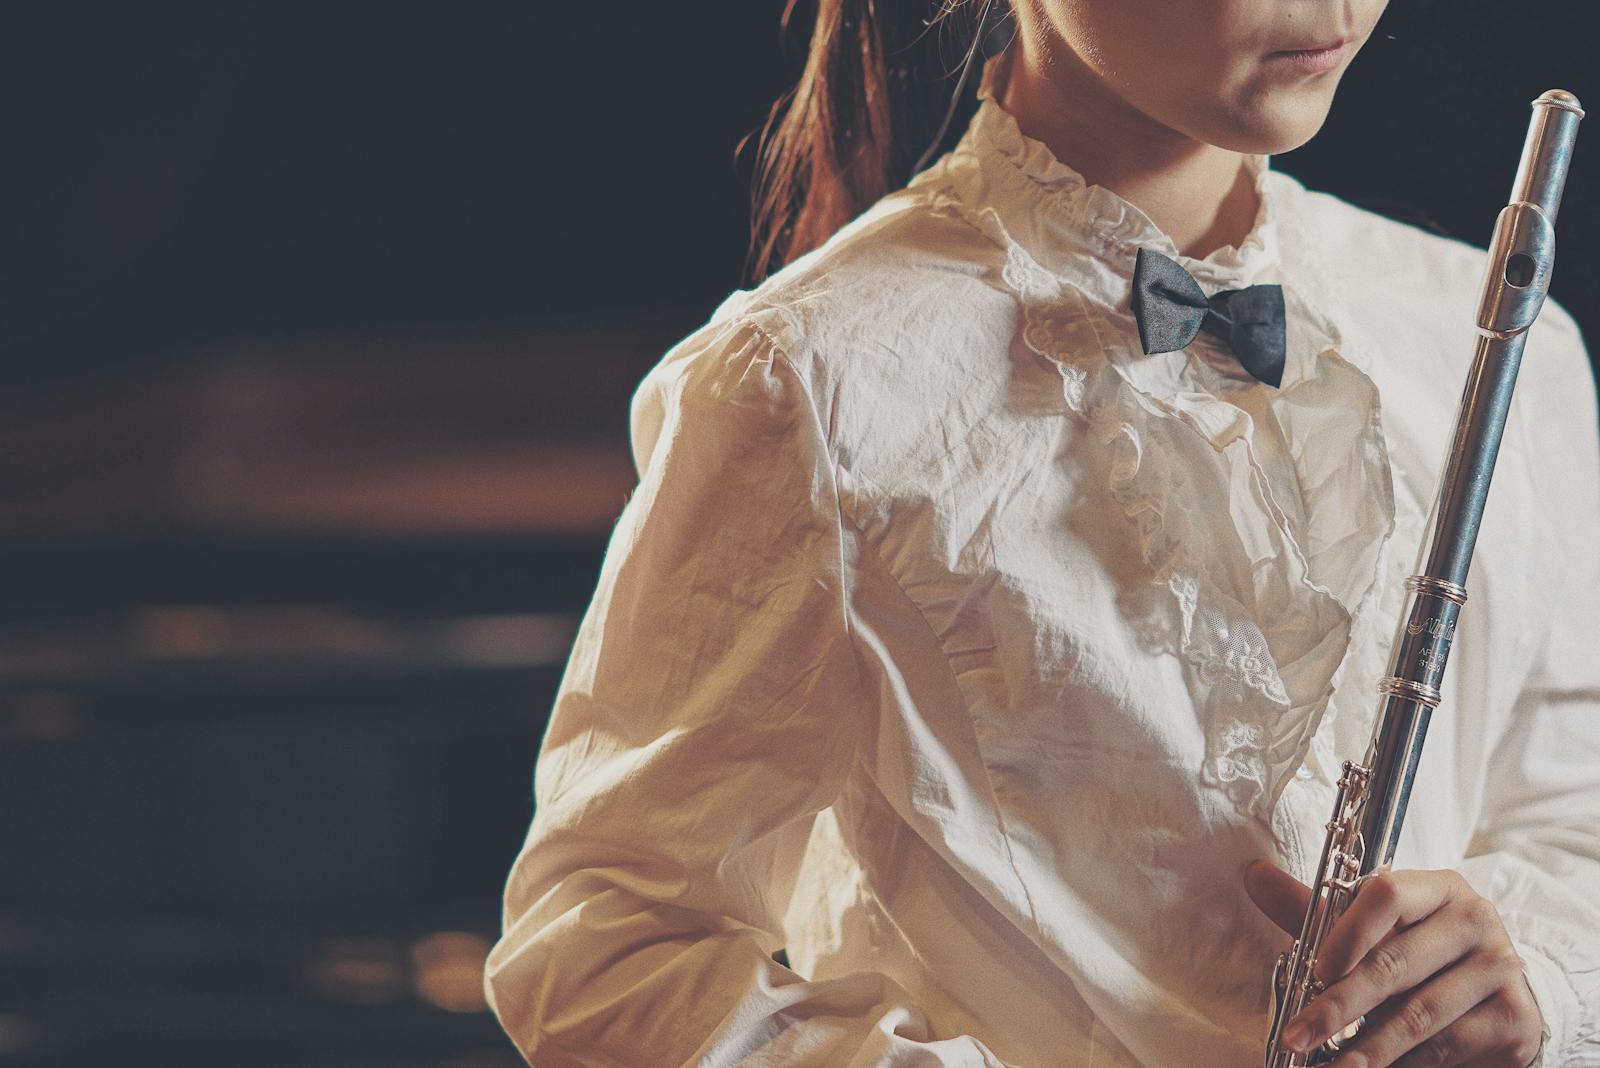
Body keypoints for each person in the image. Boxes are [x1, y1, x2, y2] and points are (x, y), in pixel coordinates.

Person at [483, 1, 1600, 1065]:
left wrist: (1533, 979)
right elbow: (596, 944)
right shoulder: (809, 379)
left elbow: (1573, 815)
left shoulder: (1493, 339)